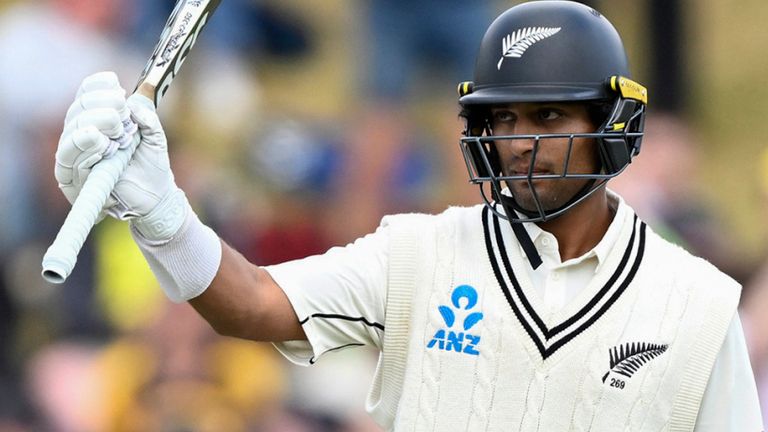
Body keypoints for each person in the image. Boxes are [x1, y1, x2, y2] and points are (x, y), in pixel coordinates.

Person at [53, 1, 762, 431]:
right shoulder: (420, 253)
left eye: (548, 114)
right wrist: (160, 209)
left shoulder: (696, 306)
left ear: (614, 126)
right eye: (502, 119)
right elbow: (254, 305)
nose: (520, 142)